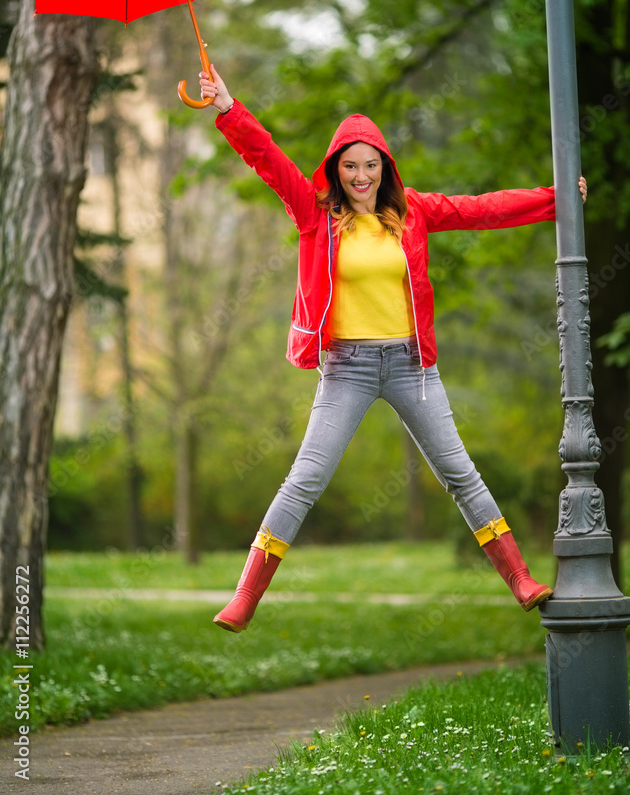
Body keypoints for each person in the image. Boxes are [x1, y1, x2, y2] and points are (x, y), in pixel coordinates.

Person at [199, 64, 588, 633]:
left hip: (412, 368)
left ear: (385, 168)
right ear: (336, 170)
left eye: (370, 165)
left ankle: (521, 579)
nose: (360, 175)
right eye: (350, 166)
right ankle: (244, 597)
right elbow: (268, 159)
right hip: (346, 370)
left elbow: (483, 209)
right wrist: (228, 107)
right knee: (305, 479)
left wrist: (556, 201)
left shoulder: (413, 213)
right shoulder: (316, 215)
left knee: (460, 473)